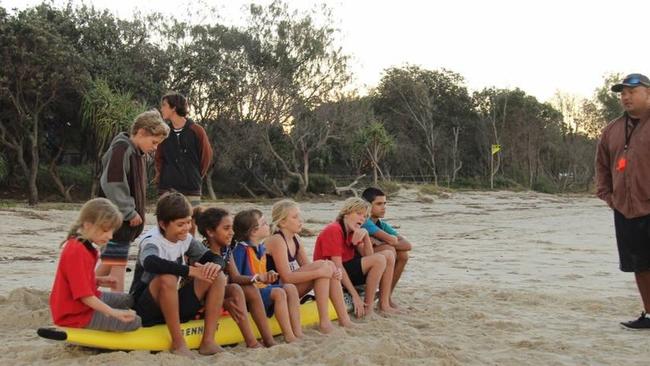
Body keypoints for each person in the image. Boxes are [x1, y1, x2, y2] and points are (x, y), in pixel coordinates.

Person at [129, 192, 226, 357]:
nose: (187, 228)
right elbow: (150, 262)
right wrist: (189, 270)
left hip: (174, 304)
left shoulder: (186, 238)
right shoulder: (151, 240)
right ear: (163, 224)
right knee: (167, 277)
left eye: (189, 222)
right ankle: (178, 343)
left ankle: (208, 341)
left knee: (217, 275)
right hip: (147, 308)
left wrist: (214, 265)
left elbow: (215, 258)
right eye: (181, 224)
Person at [596, 73, 650, 329]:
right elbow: (602, 166)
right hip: (626, 210)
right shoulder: (612, 129)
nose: (625, 97)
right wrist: (608, 196)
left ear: (648, 93)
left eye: (632, 91)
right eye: (622, 93)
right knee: (641, 267)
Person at [97, 110, 169, 292]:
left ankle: (78, 291)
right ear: (142, 132)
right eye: (154, 142)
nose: (155, 148)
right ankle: (119, 304)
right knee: (118, 263)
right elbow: (113, 182)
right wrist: (129, 211)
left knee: (110, 261)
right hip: (116, 219)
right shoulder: (122, 149)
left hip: (121, 221)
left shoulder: (137, 154)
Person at [49, 198, 141, 332]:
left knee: (128, 299)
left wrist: (99, 280)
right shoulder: (77, 251)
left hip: (81, 304)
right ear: (88, 225)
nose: (110, 236)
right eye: (105, 230)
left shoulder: (84, 246)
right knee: (136, 321)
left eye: (112, 231)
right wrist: (114, 313)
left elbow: (76, 281)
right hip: (73, 314)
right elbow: (85, 297)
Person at [265, 199, 354, 333]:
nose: (300, 220)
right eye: (295, 217)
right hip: (276, 291)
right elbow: (287, 277)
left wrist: (333, 272)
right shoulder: (277, 240)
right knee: (324, 267)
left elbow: (309, 266)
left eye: (299, 216)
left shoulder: (296, 239)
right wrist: (321, 272)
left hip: (291, 289)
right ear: (282, 222)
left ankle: (344, 319)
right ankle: (324, 323)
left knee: (327, 265)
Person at [194, 207, 278, 347]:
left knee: (250, 288)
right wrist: (225, 302)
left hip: (224, 293)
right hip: (203, 301)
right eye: (226, 228)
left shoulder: (226, 249)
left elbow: (236, 277)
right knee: (235, 289)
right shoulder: (202, 253)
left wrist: (259, 278)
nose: (232, 232)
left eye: (232, 228)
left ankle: (268, 340)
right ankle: (251, 342)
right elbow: (201, 289)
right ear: (210, 232)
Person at [313, 197, 398, 317]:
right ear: (346, 214)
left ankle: (384, 304)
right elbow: (338, 266)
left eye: (364, 216)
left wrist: (366, 236)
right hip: (332, 274)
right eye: (358, 214)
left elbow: (368, 256)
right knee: (379, 259)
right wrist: (355, 296)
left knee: (388, 255)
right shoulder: (334, 229)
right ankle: (368, 309)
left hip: (346, 270)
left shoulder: (353, 230)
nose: (362, 218)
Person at [232, 209, 303, 342]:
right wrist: (259, 278)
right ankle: (289, 335)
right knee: (278, 293)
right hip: (251, 295)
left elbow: (261, 273)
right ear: (253, 231)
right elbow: (235, 278)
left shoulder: (261, 248)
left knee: (291, 288)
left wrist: (269, 275)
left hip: (263, 289)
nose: (268, 225)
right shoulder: (240, 250)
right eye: (264, 223)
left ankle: (297, 332)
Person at [155, 92, 213, 207]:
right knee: (166, 223)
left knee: (191, 223)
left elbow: (206, 157)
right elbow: (158, 159)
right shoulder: (163, 133)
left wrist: (193, 175)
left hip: (191, 190)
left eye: (164, 105)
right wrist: (165, 176)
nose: (161, 109)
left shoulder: (197, 130)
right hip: (167, 190)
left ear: (174, 108)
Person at [361, 187, 412, 307]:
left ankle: (387, 295)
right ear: (367, 205)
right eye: (379, 204)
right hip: (358, 262)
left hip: (373, 259)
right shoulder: (364, 221)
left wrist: (382, 243)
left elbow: (407, 245)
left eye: (385, 203)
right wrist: (388, 243)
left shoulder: (382, 224)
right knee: (389, 249)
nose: (383, 207)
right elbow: (391, 240)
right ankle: (384, 301)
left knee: (403, 255)